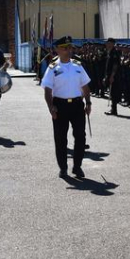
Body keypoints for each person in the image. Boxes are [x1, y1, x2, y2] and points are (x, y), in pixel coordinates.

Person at [42, 36, 92, 178]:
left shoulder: (78, 65)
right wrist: (50, 106)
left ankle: (77, 167)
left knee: (80, 137)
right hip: (60, 106)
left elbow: (85, 85)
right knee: (60, 138)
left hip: (77, 105)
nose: (68, 50)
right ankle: (63, 168)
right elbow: (47, 90)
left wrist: (88, 102)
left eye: (70, 47)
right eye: (65, 47)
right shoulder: (52, 67)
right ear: (57, 49)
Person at [104, 38, 122, 116]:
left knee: (113, 93)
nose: (106, 44)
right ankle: (113, 109)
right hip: (110, 75)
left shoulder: (114, 53)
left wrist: (112, 76)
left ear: (112, 43)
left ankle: (114, 110)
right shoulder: (110, 52)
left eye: (108, 43)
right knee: (111, 93)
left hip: (114, 76)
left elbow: (115, 65)